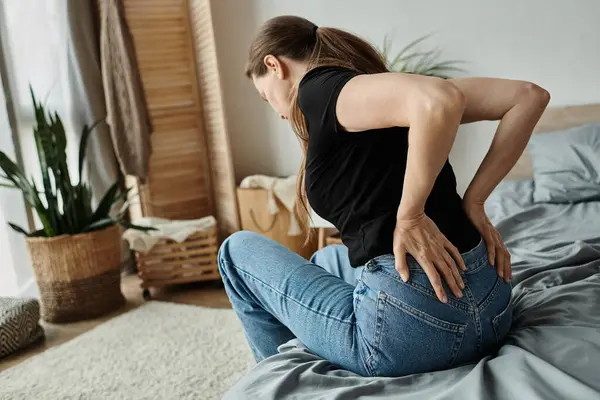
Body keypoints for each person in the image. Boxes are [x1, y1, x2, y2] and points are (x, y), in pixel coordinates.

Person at [218, 15, 550, 377]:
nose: (280, 114)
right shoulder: (376, 95)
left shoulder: (319, 89)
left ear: (274, 65)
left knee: (235, 252)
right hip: (493, 312)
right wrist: (475, 201)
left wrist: (411, 215)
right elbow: (528, 97)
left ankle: (281, 380)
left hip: (415, 333)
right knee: (329, 258)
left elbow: (440, 99)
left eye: (267, 97)